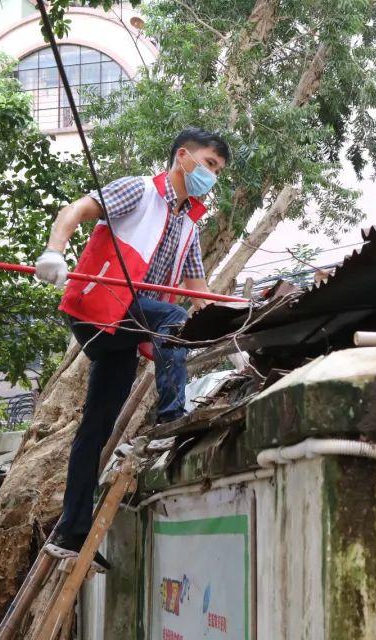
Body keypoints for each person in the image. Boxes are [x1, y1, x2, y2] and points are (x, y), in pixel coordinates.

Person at [33, 127, 230, 562]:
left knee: (96, 427)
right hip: (101, 306)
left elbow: (199, 293)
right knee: (173, 319)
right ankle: (171, 417)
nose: (212, 175)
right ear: (183, 157)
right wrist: (54, 251)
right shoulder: (139, 190)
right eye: (209, 164)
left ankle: (70, 533)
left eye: (218, 170)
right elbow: (78, 209)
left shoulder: (188, 227)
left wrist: (229, 325)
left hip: (125, 330)